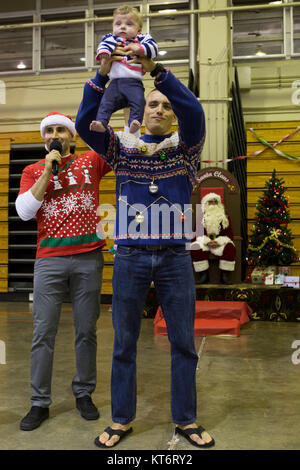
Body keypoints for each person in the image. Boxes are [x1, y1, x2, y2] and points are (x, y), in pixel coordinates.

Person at [75, 54, 215, 449]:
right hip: (131, 257)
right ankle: (121, 419)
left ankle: (186, 419)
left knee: (184, 343)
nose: (160, 109)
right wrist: (103, 76)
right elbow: (85, 123)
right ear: (142, 109)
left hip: (174, 258)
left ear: (173, 117)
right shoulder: (121, 149)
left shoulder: (186, 150)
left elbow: (195, 110)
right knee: (124, 342)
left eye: (166, 106)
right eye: (153, 102)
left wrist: (158, 74)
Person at [16, 111, 111, 431]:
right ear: (44, 138)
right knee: (43, 333)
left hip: (88, 258)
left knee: (86, 331)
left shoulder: (91, 162)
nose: (54, 135)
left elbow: (121, 150)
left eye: (61, 130)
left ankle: (84, 393)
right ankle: (39, 401)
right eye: (49, 131)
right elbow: (25, 212)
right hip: (49, 261)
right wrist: (47, 171)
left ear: (73, 135)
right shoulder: (32, 170)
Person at [91, 4, 158, 134]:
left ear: (139, 30)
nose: (122, 27)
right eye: (118, 24)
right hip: (115, 82)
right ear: (113, 27)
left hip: (134, 82)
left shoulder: (142, 39)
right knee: (106, 102)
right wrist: (104, 52)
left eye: (129, 24)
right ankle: (101, 122)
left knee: (138, 101)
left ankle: (135, 121)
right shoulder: (111, 39)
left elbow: (154, 48)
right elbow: (103, 45)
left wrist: (140, 48)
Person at [191, 192, 236, 284]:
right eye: (210, 202)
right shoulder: (201, 217)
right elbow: (197, 234)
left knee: (230, 247)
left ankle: (224, 276)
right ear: (206, 204)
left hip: (220, 242)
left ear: (219, 203)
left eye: (215, 202)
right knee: (195, 247)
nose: (213, 204)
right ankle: (204, 275)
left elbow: (229, 234)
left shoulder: (224, 217)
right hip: (204, 242)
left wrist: (218, 241)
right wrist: (207, 241)